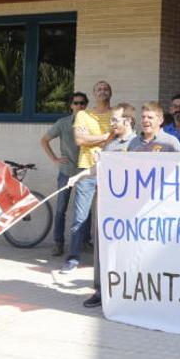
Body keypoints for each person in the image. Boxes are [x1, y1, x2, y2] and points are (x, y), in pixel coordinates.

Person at [77, 102, 137, 308]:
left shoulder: (137, 144)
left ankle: (128, 291)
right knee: (102, 248)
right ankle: (101, 290)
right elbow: (99, 167)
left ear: (128, 121)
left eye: (115, 120)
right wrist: (82, 174)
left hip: (128, 208)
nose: (111, 123)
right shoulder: (110, 141)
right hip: (106, 206)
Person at [61, 81, 113, 274]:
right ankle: (73, 258)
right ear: (94, 93)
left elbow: (117, 138)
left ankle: (107, 260)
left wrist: (94, 137)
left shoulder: (116, 114)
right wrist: (107, 135)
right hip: (86, 169)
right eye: (99, 88)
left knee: (108, 217)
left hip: (109, 170)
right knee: (80, 217)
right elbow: (79, 140)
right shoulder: (83, 114)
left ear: (110, 93)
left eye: (106, 88)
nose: (102, 91)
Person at [39, 92, 90, 256]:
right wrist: (54, 159)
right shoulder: (62, 123)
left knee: (85, 210)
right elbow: (44, 140)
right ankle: (58, 243)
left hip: (84, 172)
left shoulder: (91, 123)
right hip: (66, 172)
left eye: (83, 103)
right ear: (71, 105)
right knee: (61, 208)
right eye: (76, 103)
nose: (79, 106)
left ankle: (84, 241)